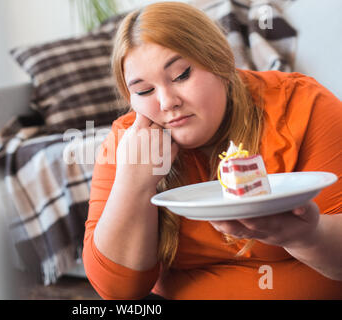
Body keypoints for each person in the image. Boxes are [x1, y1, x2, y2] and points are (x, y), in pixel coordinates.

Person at [82, 2, 342, 299]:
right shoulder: (129, 142)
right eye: (144, 91)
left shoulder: (304, 105)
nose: (167, 102)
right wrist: (134, 184)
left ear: (221, 62)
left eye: (181, 75)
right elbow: (117, 292)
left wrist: (307, 236)